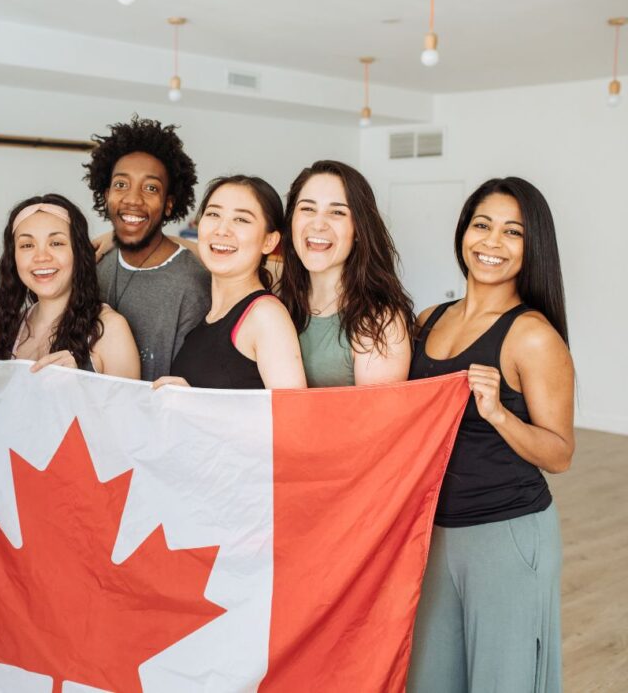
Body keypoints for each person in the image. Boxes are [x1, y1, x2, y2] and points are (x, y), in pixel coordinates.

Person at [406, 177, 574, 693]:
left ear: (532, 247)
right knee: (429, 680)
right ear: (463, 232)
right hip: (433, 533)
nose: (491, 242)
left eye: (512, 232)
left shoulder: (532, 335)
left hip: (506, 533)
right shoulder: (428, 318)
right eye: (482, 225)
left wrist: (499, 413)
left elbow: (560, 453)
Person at [84, 116, 209, 380]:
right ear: (106, 195)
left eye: (151, 188)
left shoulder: (191, 284)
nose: (132, 199)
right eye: (121, 184)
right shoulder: (94, 265)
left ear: (168, 204)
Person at [155, 176, 306, 390]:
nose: (222, 229)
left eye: (241, 219)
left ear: (269, 241)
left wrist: (195, 403)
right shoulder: (208, 318)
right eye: (214, 214)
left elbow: (291, 417)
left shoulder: (266, 316)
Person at [279, 160, 413, 387]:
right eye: (308, 209)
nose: (318, 224)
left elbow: (380, 419)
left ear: (359, 229)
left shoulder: (378, 320)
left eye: (337, 212)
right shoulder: (278, 301)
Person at [0, 194, 139, 379]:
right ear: (13, 258)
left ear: (78, 253)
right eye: (27, 245)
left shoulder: (110, 329)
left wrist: (80, 383)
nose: (41, 256)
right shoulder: (7, 330)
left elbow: (129, 408)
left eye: (56, 243)